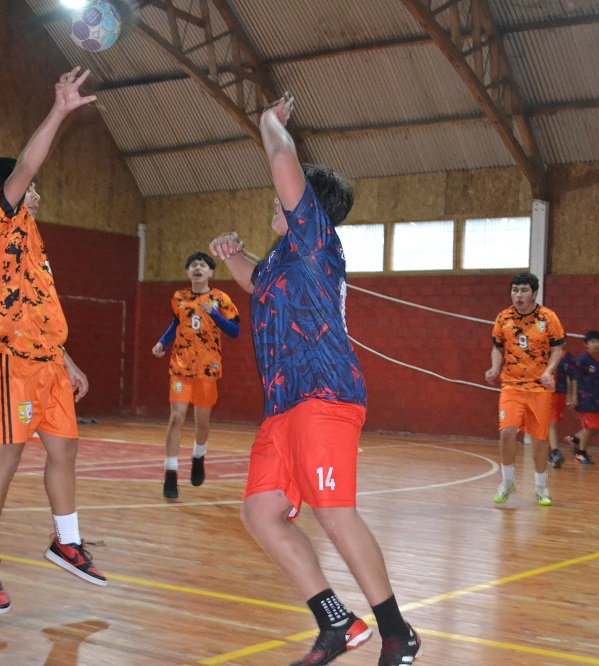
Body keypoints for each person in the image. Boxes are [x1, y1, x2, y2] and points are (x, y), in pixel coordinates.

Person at [208, 92, 422, 666]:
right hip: (284, 406)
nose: (275, 201)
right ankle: (336, 622)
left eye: (286, 196)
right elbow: (261, 283)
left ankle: (397, 632)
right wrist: (234, 259)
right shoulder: (284, 257)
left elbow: (283, 166)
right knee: (259, 512)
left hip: (324, 396)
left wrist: (268, 125)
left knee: (333, 512)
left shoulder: (315, 238)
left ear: (305, 207)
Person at [0, 67, 106, 615]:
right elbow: (26, 165)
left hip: (45, 361)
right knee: (8, 456)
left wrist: (67, 359)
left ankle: (66, 542)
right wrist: (59, 111)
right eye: (26, 186)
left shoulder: (32, 240)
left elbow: (37, 306)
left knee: (65, 448)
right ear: (2, 194)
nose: (35, 189)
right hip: (9, 363)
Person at [151, 251, 240, 499]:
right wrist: (162, 342)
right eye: (193, 265)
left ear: (211, 272)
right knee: (176, 417)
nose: (197, 268)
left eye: (202, 265)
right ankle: (170, 473)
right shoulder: (179, 298)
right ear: (188, 272)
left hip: (208, 370)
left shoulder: (220, 298)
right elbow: (175, 324)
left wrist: (214, 313)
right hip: (180, 368)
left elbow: (235, 331)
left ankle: (198, 457)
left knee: (202, 423)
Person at [484, 272, 566, 506]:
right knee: (506, 432)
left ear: (534, 293)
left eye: (523, 291)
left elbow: (558, 350)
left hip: (540, 388)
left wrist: (548, 371)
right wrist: (494, 367)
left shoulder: (548, 318)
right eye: (515, 290)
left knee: (539, 441)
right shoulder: (503, 318)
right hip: (511, 385)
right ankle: (507, 481)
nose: (518, 295)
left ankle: (541, 487)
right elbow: (497, 347)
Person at [564, 330, 599, 465]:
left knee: (597, 428)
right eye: (592, 342)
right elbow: (572, 376)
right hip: (584, 397)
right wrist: (572, 396)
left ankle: (575, 439)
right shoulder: (582, 359)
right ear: (586, 345)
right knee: (589, 427)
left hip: (597, 398)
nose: (596, 344)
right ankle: (581, 454)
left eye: (598, 341)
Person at [547, 350, 576, 468]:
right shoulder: (544, 351)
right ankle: (555, 451)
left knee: (554, 424)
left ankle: (550, 454)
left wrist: (571, 396)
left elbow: (571, 378)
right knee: (551, 423)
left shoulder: (568, 357)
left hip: (560, 394)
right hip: (546, 393)